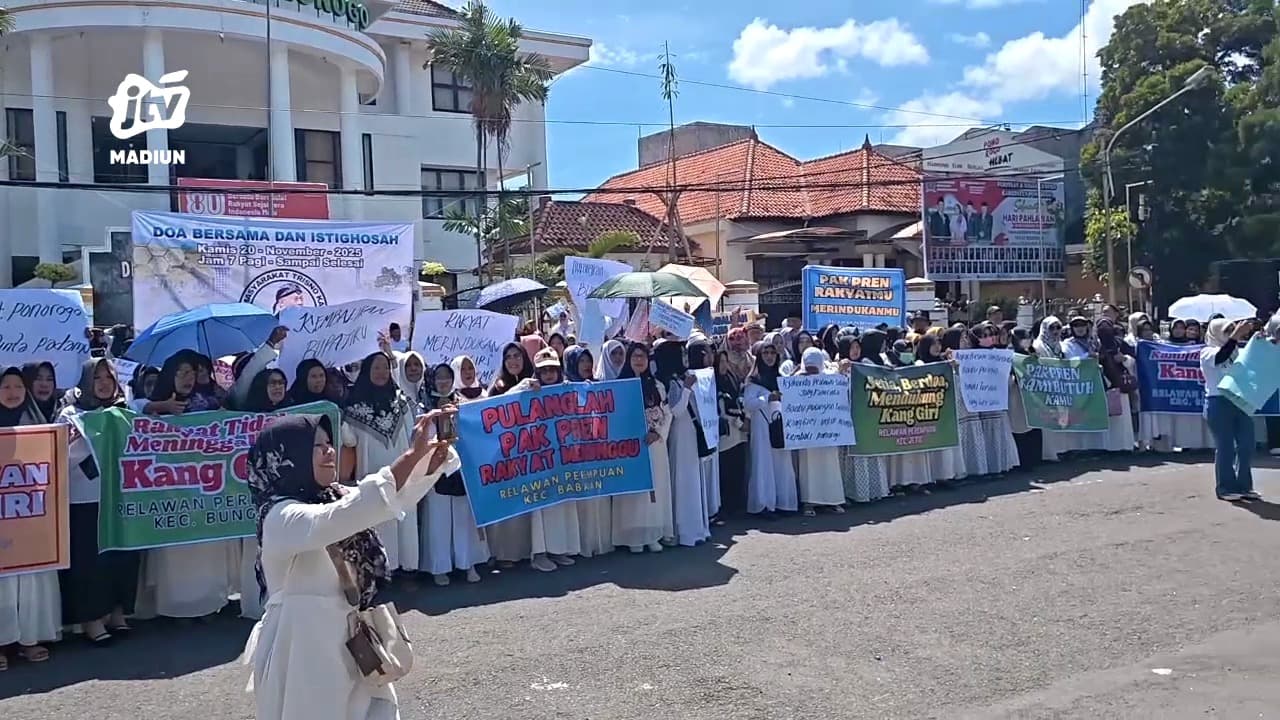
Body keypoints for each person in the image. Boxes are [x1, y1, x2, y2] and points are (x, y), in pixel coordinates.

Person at [243, 411, 457, 720]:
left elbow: (389, 499)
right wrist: (412, 456)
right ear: (288, 457)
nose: (330, 451)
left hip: (353, 641)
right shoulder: (279, 516)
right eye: (317, 446)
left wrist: (428, 461)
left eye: (330, 443)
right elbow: (345, 515)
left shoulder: (331, 496)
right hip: (302, 651)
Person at [136, 353, 237, 621]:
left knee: (204, 548)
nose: (187, 378)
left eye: (191, 372)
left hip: (206, 489)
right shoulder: (154, 403)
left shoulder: (211, 401)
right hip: (171, 490)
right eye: (180, 372)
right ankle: (175, 605)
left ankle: (208, 602)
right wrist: (161, 407)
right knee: (176, 553)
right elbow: (131, 413)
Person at [58, 358, 139, 645]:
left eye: (109, 377)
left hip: (121, 495)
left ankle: (118, 611)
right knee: (89, 562)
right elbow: (61, 459)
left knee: (123, 555)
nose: (104, 383)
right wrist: (86, 438)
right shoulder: (71, 414)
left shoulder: (123, 411)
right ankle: (91, 619)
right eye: (98, 378)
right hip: (86, 499)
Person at [0, 366, 61, 669]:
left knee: (31, 578)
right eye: (6, 387)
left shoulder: (37, 422)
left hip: (31, 516)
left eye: (17, 387)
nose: (13, 393)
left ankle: (29, 639)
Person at [342, 351, 420, 573]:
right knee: (379, 521)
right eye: (376, 367)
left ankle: (407, 568)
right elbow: (349, 441)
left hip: (402, 475)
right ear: (366, 371)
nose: (381, 372)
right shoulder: (354, 407)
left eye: (385, 367)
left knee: (403, 517)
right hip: (372, 475)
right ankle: (382, 570)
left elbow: (412, 433)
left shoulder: (401, 401)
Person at [509, 348, 582, 570]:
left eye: (553, 370)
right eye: (544, 370)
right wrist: (524, 388)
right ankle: (539, 553)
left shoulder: (566, 390)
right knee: (541, 507)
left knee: (561, 504)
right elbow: (502, 403)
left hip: (561, 456)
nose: (549, 374)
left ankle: (559, 549)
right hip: (537, 458)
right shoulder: (529, 389)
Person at [420, 363, 489, 585]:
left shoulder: (462, 403)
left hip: (461, 467)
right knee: (438, 519)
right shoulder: (422, 406)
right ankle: (440, 566)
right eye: (438, 377)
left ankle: (467, 563)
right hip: (435, 468)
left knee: (463, 518)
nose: (443, 381)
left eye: (447, 377)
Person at [613, 343, 672, 552]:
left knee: (655, 489)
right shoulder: (619, 386)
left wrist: (657, 432)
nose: (639, 360)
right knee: (634, 493)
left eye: (643, 357)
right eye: (635, 356)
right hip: (630, 448)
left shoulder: (656, 386)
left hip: (653, 444)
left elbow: (667, 412)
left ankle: (652, 533)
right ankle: (633, 536)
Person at [485, 343, 537, 568]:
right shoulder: (498, 387)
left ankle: (528, 550)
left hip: (532, 453)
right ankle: (505, 554)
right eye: (508, 357)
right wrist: (520, 389)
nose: (513, 361)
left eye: (517, 356)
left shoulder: (537, 383)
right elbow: (491, 411)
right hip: (506, 454)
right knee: (510, 505)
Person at [655, 339, 711, 546]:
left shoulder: (681, 377)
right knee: (682, 478)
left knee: (693, 478)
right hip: (679, 433)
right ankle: (683, 529)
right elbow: (676, 411)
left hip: (691, 431)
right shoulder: (667, 381)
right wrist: (687, 389)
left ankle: (697, 527)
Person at [1200, 318, 1260, 501]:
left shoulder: (1238, 351)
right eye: (1227, 331)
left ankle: (1244, 486)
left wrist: (1261, 340)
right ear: (1216, 332)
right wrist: (1234, 338)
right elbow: (1220, 358)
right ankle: (1225, 487)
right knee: (1226, 446)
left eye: (1233, 330)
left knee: (1246, 444)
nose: (1231, 334)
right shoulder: (1207, 352)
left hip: (1240, 400)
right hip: (1218, 401)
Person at [565, 346, 613, 558]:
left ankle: (603, 541)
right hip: (576, 452)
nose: (586, 365)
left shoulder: (599, 386)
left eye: (588, 360)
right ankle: (584, 544)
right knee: (583, 498)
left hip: (599, 449)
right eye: (581, 361)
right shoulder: (564, 389)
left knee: (600, 496)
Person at [742, 341, 798, 516]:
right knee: (763, 463)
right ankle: (764, 504)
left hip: (779, 424)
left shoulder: (781, 377)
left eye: (772, 353)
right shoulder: (753, 379)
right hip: (761, 426)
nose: (769, 356)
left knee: (781, 462)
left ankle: (783, 502)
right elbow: (748, 404)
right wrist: (767, 397)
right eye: (765, 353)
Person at [792, 348, 845, 516]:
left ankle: (833, 500)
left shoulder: (830, 379)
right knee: (808, 467)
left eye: (815, 368)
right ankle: (809, 502)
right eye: (809, 368)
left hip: (827, 430)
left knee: (830, 465)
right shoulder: (795, 380)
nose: (812, 372)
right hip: (807, 432)